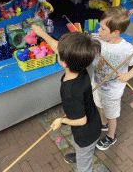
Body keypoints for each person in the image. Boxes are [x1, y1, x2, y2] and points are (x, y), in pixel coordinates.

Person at [31, 24, 102, 172]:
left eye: (59, 53)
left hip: (86, 134)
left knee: (84, 166)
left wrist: (61, 120)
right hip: (94, 122)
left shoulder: (69, 92)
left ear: (64, 61)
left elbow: (81, 121)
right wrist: (41, 33)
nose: (57, 51)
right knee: (78, 146)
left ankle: (82, 157)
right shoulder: (80, 65)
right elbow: (58, 47)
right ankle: (79, 154)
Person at [90, 6, 133, 150]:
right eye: (99, 27)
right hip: (97, 84)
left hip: (112, 91)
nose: (98, 31)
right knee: (100, 107)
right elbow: (87, 40)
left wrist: (128, 75)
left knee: (111, 115)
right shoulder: (97, 38)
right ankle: (103, 124)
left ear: (115, 33)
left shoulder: (125, 48)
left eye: (102, 29)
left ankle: (111, 136)